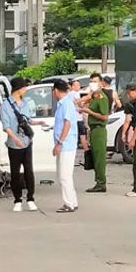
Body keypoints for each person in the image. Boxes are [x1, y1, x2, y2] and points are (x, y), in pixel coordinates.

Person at [0, 77, 38, 212]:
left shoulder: (25, 103)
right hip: (14, 144)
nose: (25, 90)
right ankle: (17, 200)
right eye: (24, 88)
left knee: (29, 171)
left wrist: (38, 123)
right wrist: (14, 138)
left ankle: (31, 198)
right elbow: (6, 126)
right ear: (18, 89)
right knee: (15, 172)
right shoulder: (5, 106)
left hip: (27, 142)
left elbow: (28, 120)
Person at [52, 80, 79, 213]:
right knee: (65, 175)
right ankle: (72, 200)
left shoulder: (66, 104)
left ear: (56, 90)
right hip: (64, 143)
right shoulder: (62, 104)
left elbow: (67, 124)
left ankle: (69, 203)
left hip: (66, 144)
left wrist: (60, 142)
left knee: (64, 175)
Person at [83, 73, 110, 193]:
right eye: (91, 81)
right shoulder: (94, 96)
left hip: (99, 129)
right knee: (95, 156)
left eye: (95, 81)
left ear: (101, 83)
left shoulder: (102, 98)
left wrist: (89, 111)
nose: (92, 84)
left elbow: (104, 117)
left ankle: (101, 183)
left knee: (99, 158)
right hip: (93, 129)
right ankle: (98, 181)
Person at [69, 80, 89, 151]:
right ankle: (86, 149)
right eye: (77, 85)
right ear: (72, 86)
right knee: (82, 134)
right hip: (78, 117)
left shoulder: (69, 94)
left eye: (79, 85)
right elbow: (80, 104)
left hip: (72, 117)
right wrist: (84, 104)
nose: (79, 87)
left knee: (74, 134)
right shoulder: (76, 94)